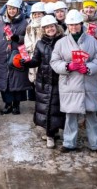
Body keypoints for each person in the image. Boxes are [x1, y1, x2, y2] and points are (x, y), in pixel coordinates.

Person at [50, 9, 97, 156]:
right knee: (70, 116)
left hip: (88, 83)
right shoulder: (61, 43)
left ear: (81, 24)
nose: (74, 27)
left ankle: (96, 144)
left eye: (76, 24)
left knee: (91, 116)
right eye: (71, 25)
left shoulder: (92, 41)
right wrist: (67, 66)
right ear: (67, 26)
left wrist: (88, 68)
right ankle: (69, 143)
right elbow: (54, 61)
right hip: (70, 84)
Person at [22, 15, 65, 149]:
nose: (50, 29)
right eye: (47, 27)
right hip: (44, 80)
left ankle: (54, 132)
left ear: (56, 27)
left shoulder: (63, 41)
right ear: (43, 29)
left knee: (56, 108)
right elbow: (36, 60)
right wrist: (26, 63)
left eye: (52, 26)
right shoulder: (40, 43)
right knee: (46, 108)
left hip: (59, 79)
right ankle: (49, 135)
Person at [0, 0, 31, 115]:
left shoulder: (24, 23)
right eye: (9, 8)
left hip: (17, 56)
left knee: (17, 81)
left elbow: (28, 39)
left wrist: (17, 38)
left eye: (14, 8)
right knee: (6, 81)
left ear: (18, 9)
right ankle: (7, 104)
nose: (11, 11)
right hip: (2, 57)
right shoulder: (1, 23)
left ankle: (16, 105)